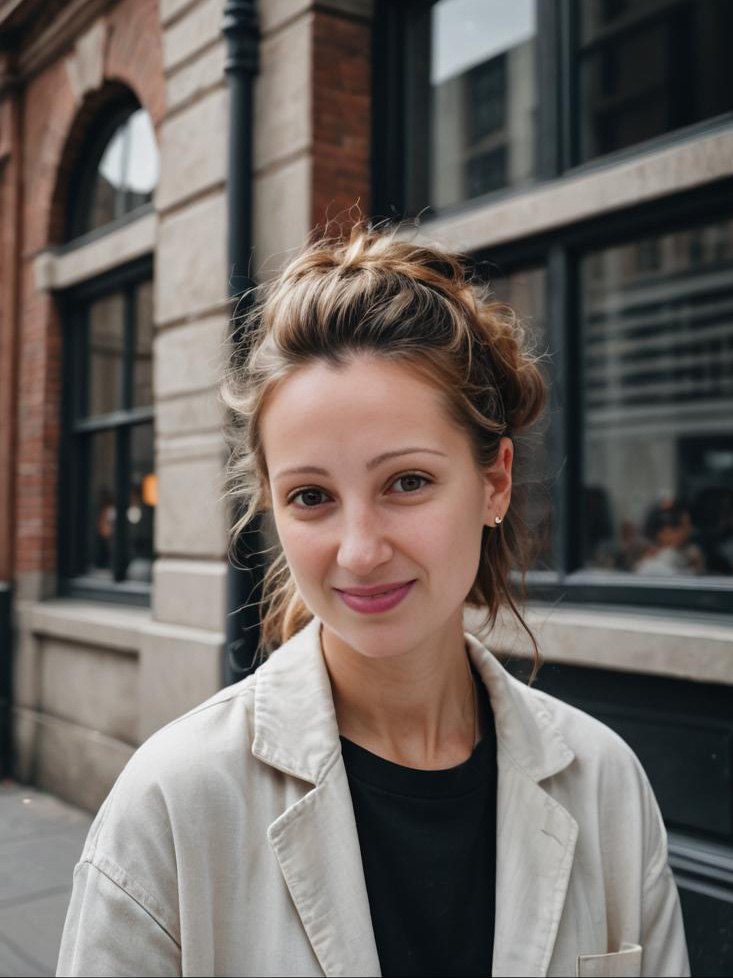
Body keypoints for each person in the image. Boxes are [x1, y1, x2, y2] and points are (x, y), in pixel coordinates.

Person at [56, 225, 690, 978]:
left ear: (494, 483)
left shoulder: (605, 784)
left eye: (407, 482)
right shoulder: (173, 802)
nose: (358, 551)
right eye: (311, 496)